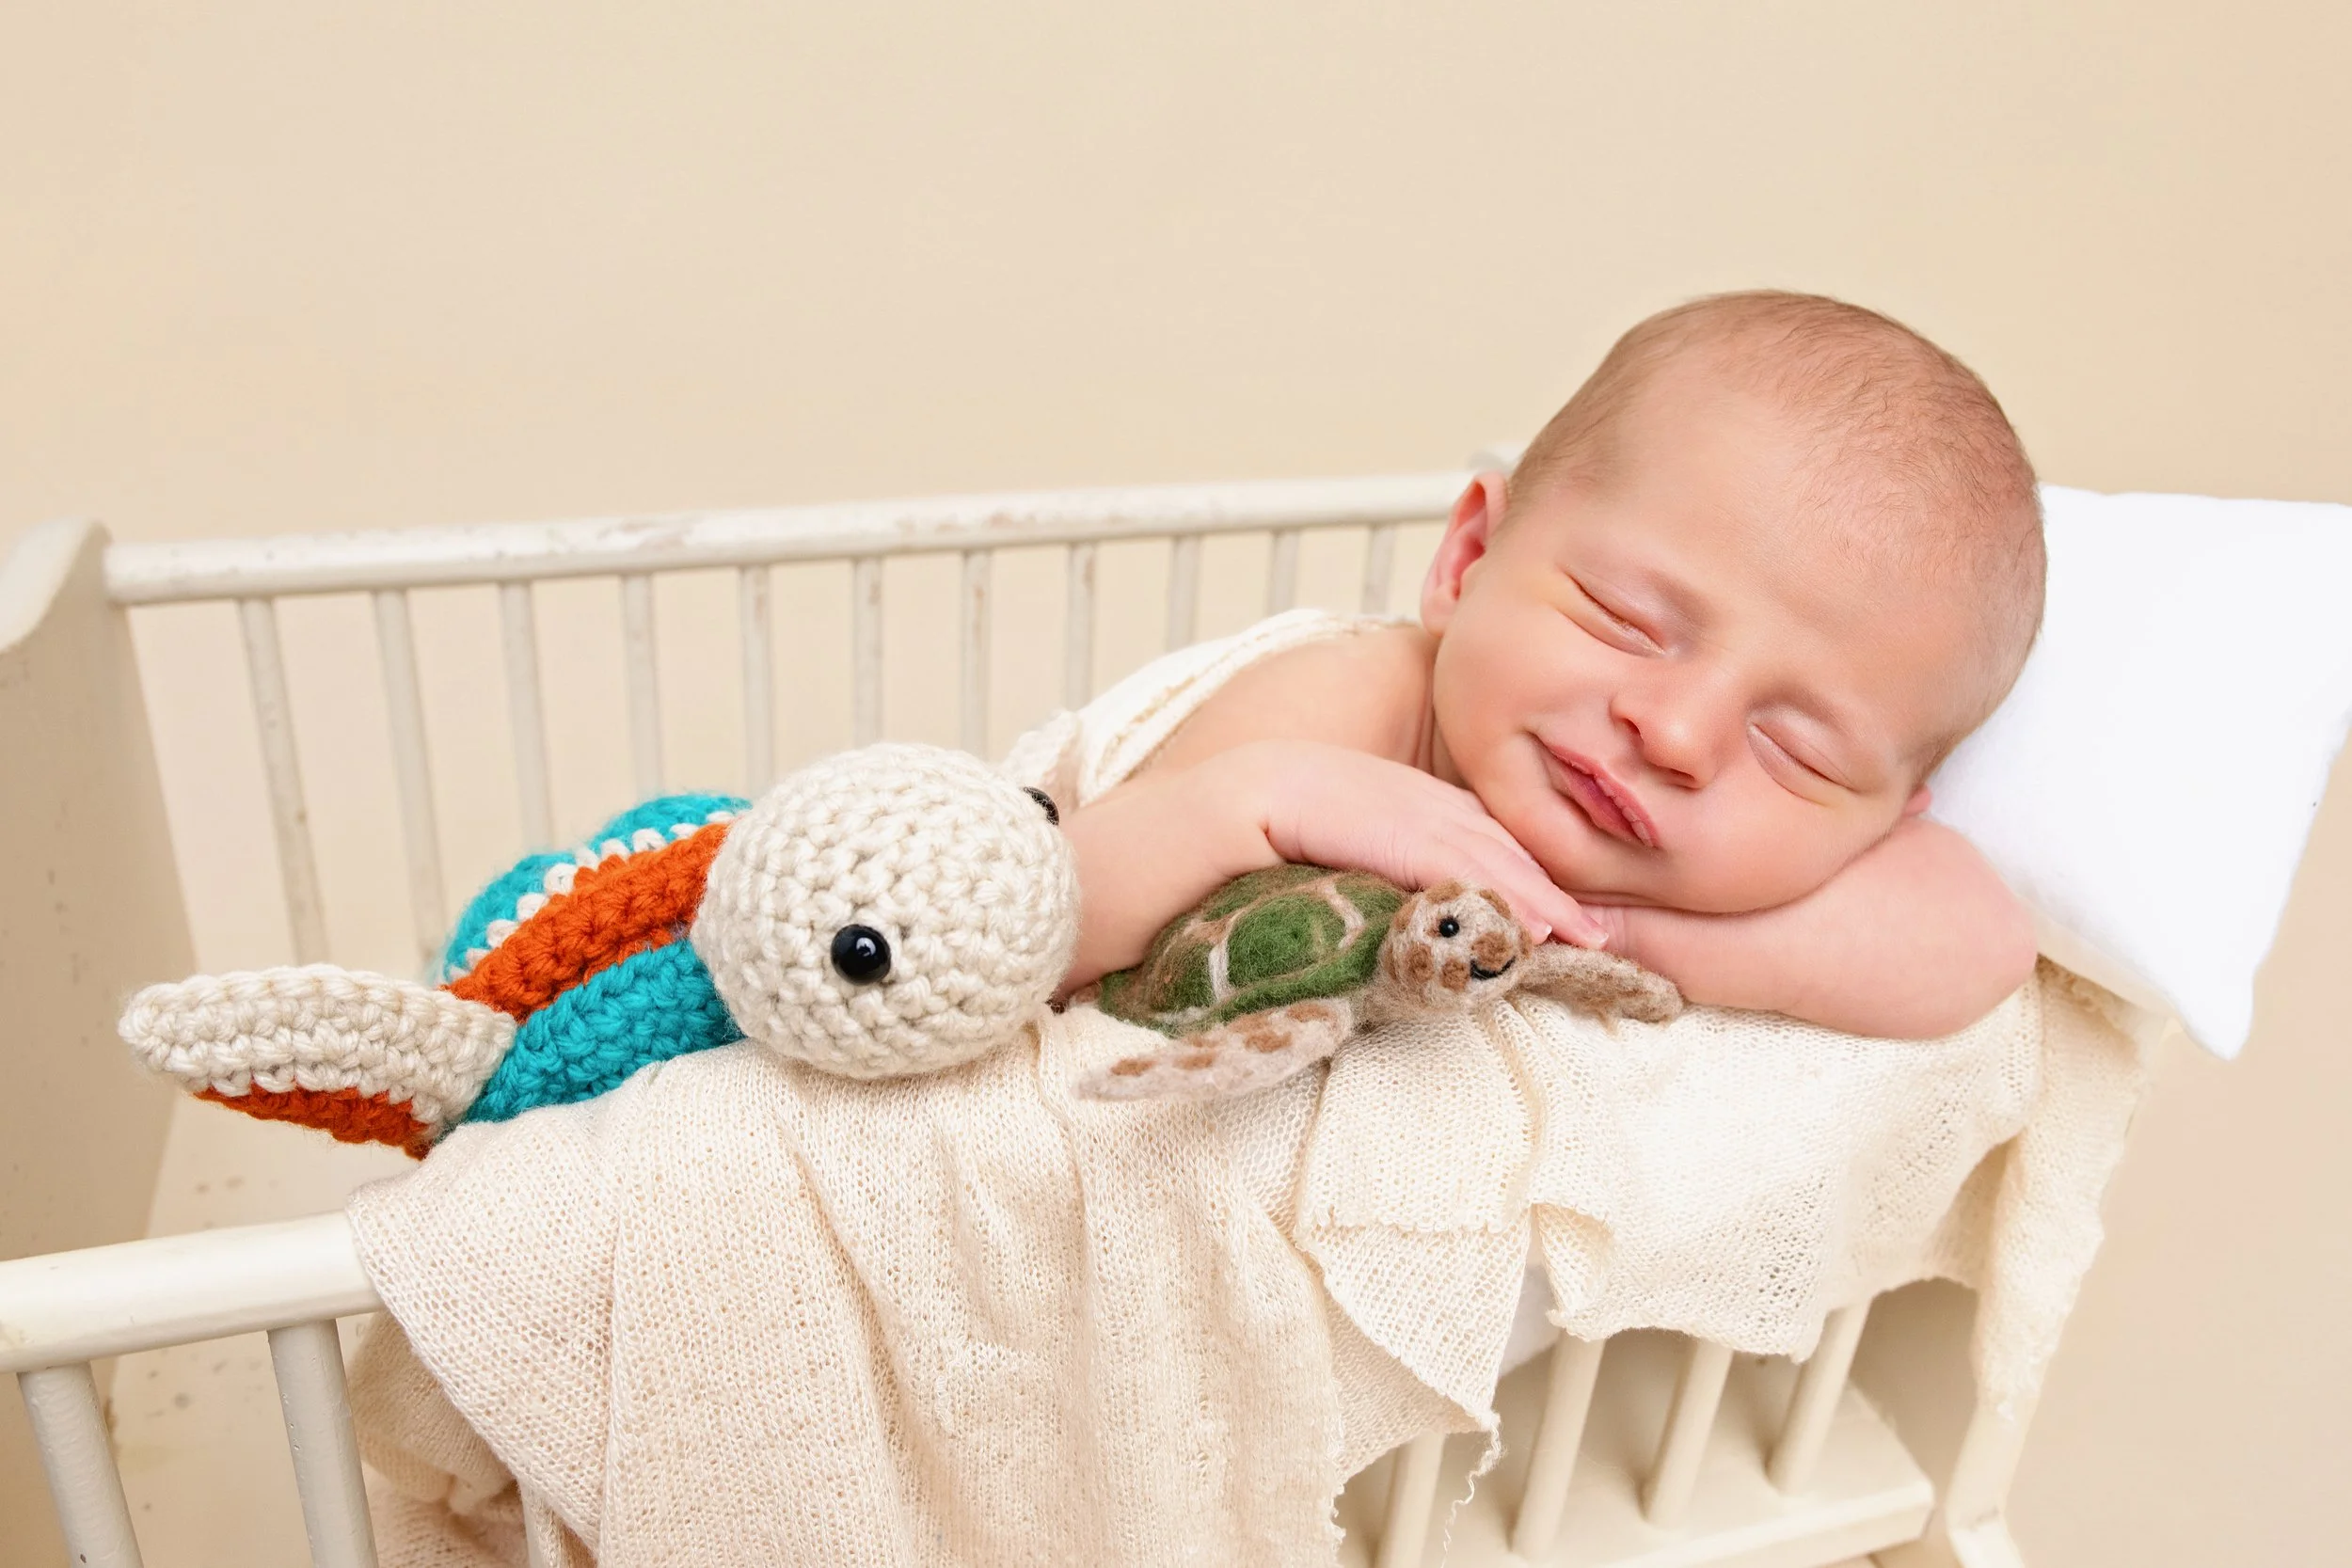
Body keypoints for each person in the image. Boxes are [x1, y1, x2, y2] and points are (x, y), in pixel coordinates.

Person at [1061, 291, 2043, 1039]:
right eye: (1626, 621)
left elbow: (1981, 941)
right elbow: (1046, 930)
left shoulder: (1753, 875)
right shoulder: (1350, 702)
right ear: (1467, 562)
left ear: (1894, 808)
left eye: (1796, 750)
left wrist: (1610, 931)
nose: (1677, 733)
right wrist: (1257, 799)